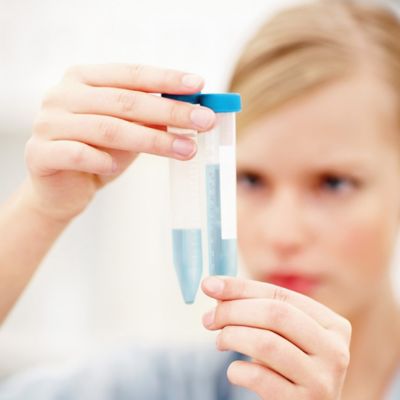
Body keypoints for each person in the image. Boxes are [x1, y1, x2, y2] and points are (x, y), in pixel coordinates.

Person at [0, 0, 399, 398]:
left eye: (334, 184)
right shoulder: (159, 386)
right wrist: (41, 209)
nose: (282, 233)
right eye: (250, 179)